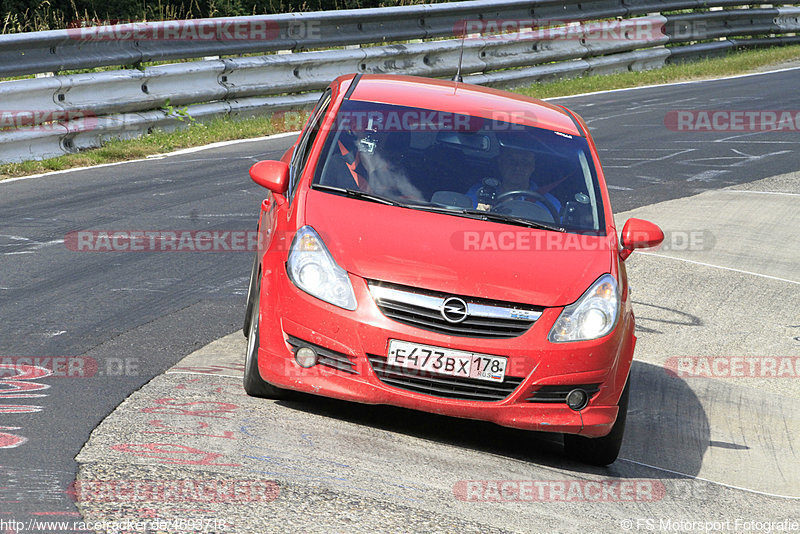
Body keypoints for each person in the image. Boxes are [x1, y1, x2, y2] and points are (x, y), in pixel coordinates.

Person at [466, 146, 562, 218]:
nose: (518, 168)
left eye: (525, 163)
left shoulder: (550, 203)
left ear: (533, 167)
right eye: (512, 161)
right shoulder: (480, 192)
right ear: (501, 163)